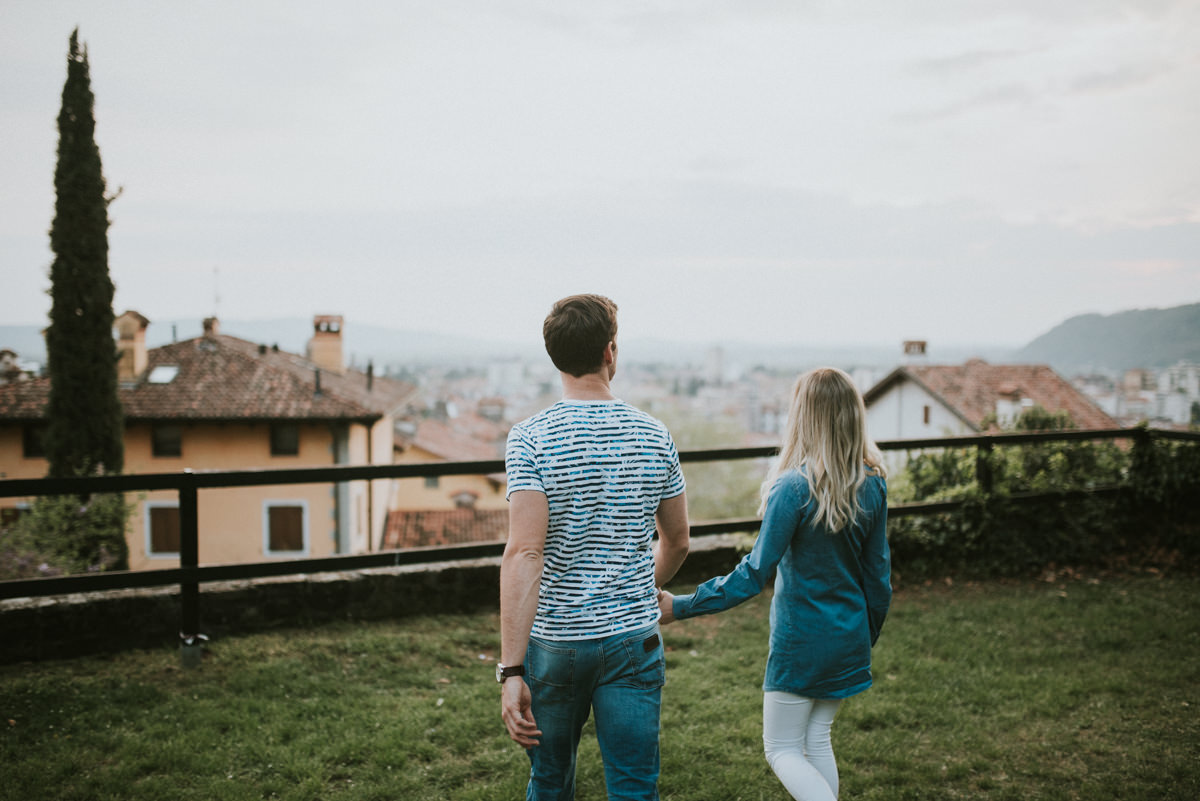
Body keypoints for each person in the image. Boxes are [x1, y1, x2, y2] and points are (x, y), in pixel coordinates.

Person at [658, 367, 890, 801]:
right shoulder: (873, 484)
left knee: (782, 749)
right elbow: (879, 579)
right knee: (816, 738)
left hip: (801, 642)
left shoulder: (793, 487)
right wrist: (863, 636)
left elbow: (753, 574)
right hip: (849, 637)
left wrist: (682, 606)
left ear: (803, 417)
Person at [500, 293, 691, 801]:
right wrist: (633, 587)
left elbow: (524, 554)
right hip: (633, 638)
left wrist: (512, 669)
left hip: (555, 644)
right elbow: (678, 541)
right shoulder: (655, 434)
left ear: (555, 356)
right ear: (610, 352)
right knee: (633, 787)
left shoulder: (530, 438)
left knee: (550, 781)